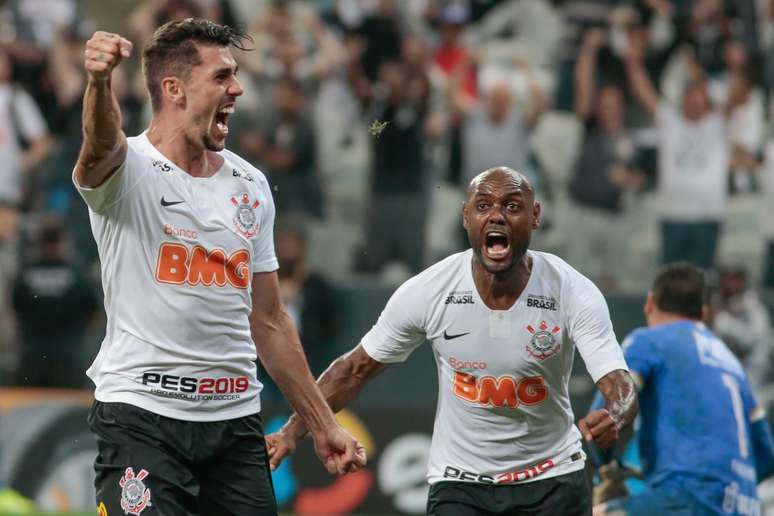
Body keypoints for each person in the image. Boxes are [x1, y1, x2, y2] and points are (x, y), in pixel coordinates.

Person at [72, 19, 365, 516]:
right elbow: (101, 144)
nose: (238, 88)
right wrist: (99, 83)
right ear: (174, 90)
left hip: (234, 425)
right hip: (142, 418)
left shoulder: (250, 186)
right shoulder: (128, 171)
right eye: (222, 76)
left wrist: (322, 424)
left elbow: (270, 321)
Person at [267, 166, 639, 515]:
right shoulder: (430, 291)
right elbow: (354, 370)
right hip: (461, 483)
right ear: (465, 218)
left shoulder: (571, 291)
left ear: (535, 216)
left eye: (512, 206)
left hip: (553, 479)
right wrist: (290, 432)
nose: (496, 216)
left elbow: (618, 383)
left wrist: (616, 415)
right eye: (483, 206)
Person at [591, 262, 774, 516]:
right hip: (745, 505)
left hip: (686, 498)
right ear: (704, 312)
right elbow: (766, 452)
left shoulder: (648, 340)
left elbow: (605, 415)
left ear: (649, 303)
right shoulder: (731, 363)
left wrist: (607, 468)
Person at [13, 216, 98, 388]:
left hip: (32, 355)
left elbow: (15, 310)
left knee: (30, 408)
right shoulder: (77, 274)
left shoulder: (25, 273)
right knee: (68, 411)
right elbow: (93, 312)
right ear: (62, 241)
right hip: (69, 356)